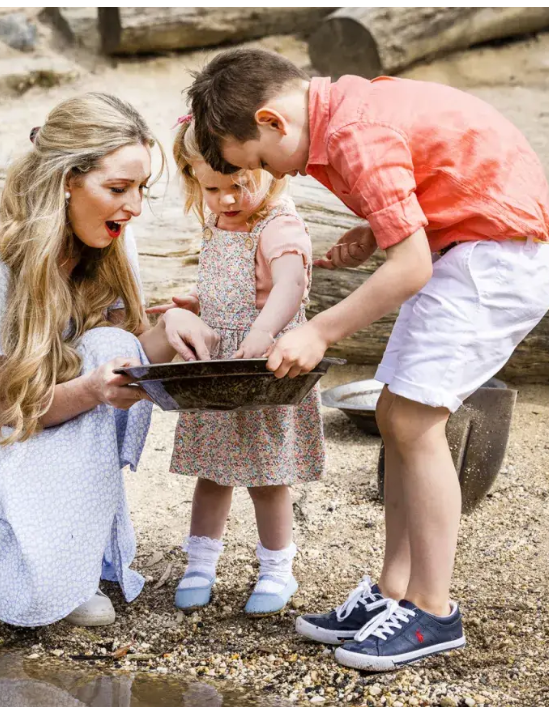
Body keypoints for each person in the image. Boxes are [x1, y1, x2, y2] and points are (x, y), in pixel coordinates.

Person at [187, 48, 549, 670]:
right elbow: (430, 195)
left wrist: (321, 333)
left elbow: (411, 268)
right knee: (395, 414)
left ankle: (433, 611)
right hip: (468, 249)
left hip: (494, 261)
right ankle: (394, 591)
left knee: (416, 422)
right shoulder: (348, 110)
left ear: (273, 120)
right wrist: (380, 229)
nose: (276, 175)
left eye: (256, 160)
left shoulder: (354, 133)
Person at [0, 93, 222, 628]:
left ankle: (49, 549)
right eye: (118, 188)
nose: (133, 206)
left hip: (31, 401)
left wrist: (168, 331)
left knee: (109, 348)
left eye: (140, 190)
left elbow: (122, 357)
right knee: (39, 590)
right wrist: (91, 392)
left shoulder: (106, 234)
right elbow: (6, 409)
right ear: (66, 180)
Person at [151, 115, 323, 617]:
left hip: (265, 365)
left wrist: (262, 334)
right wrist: (200, 301)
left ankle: (277, 570)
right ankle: (200, 563)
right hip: (218, 363)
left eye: (238, 185)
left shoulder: (279, 224)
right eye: (212, 188)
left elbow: (290, 285)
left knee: (267, 478)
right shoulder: (218, 220)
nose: (227, 199)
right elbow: (234, 283)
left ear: (266, 168)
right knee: (212, 472)